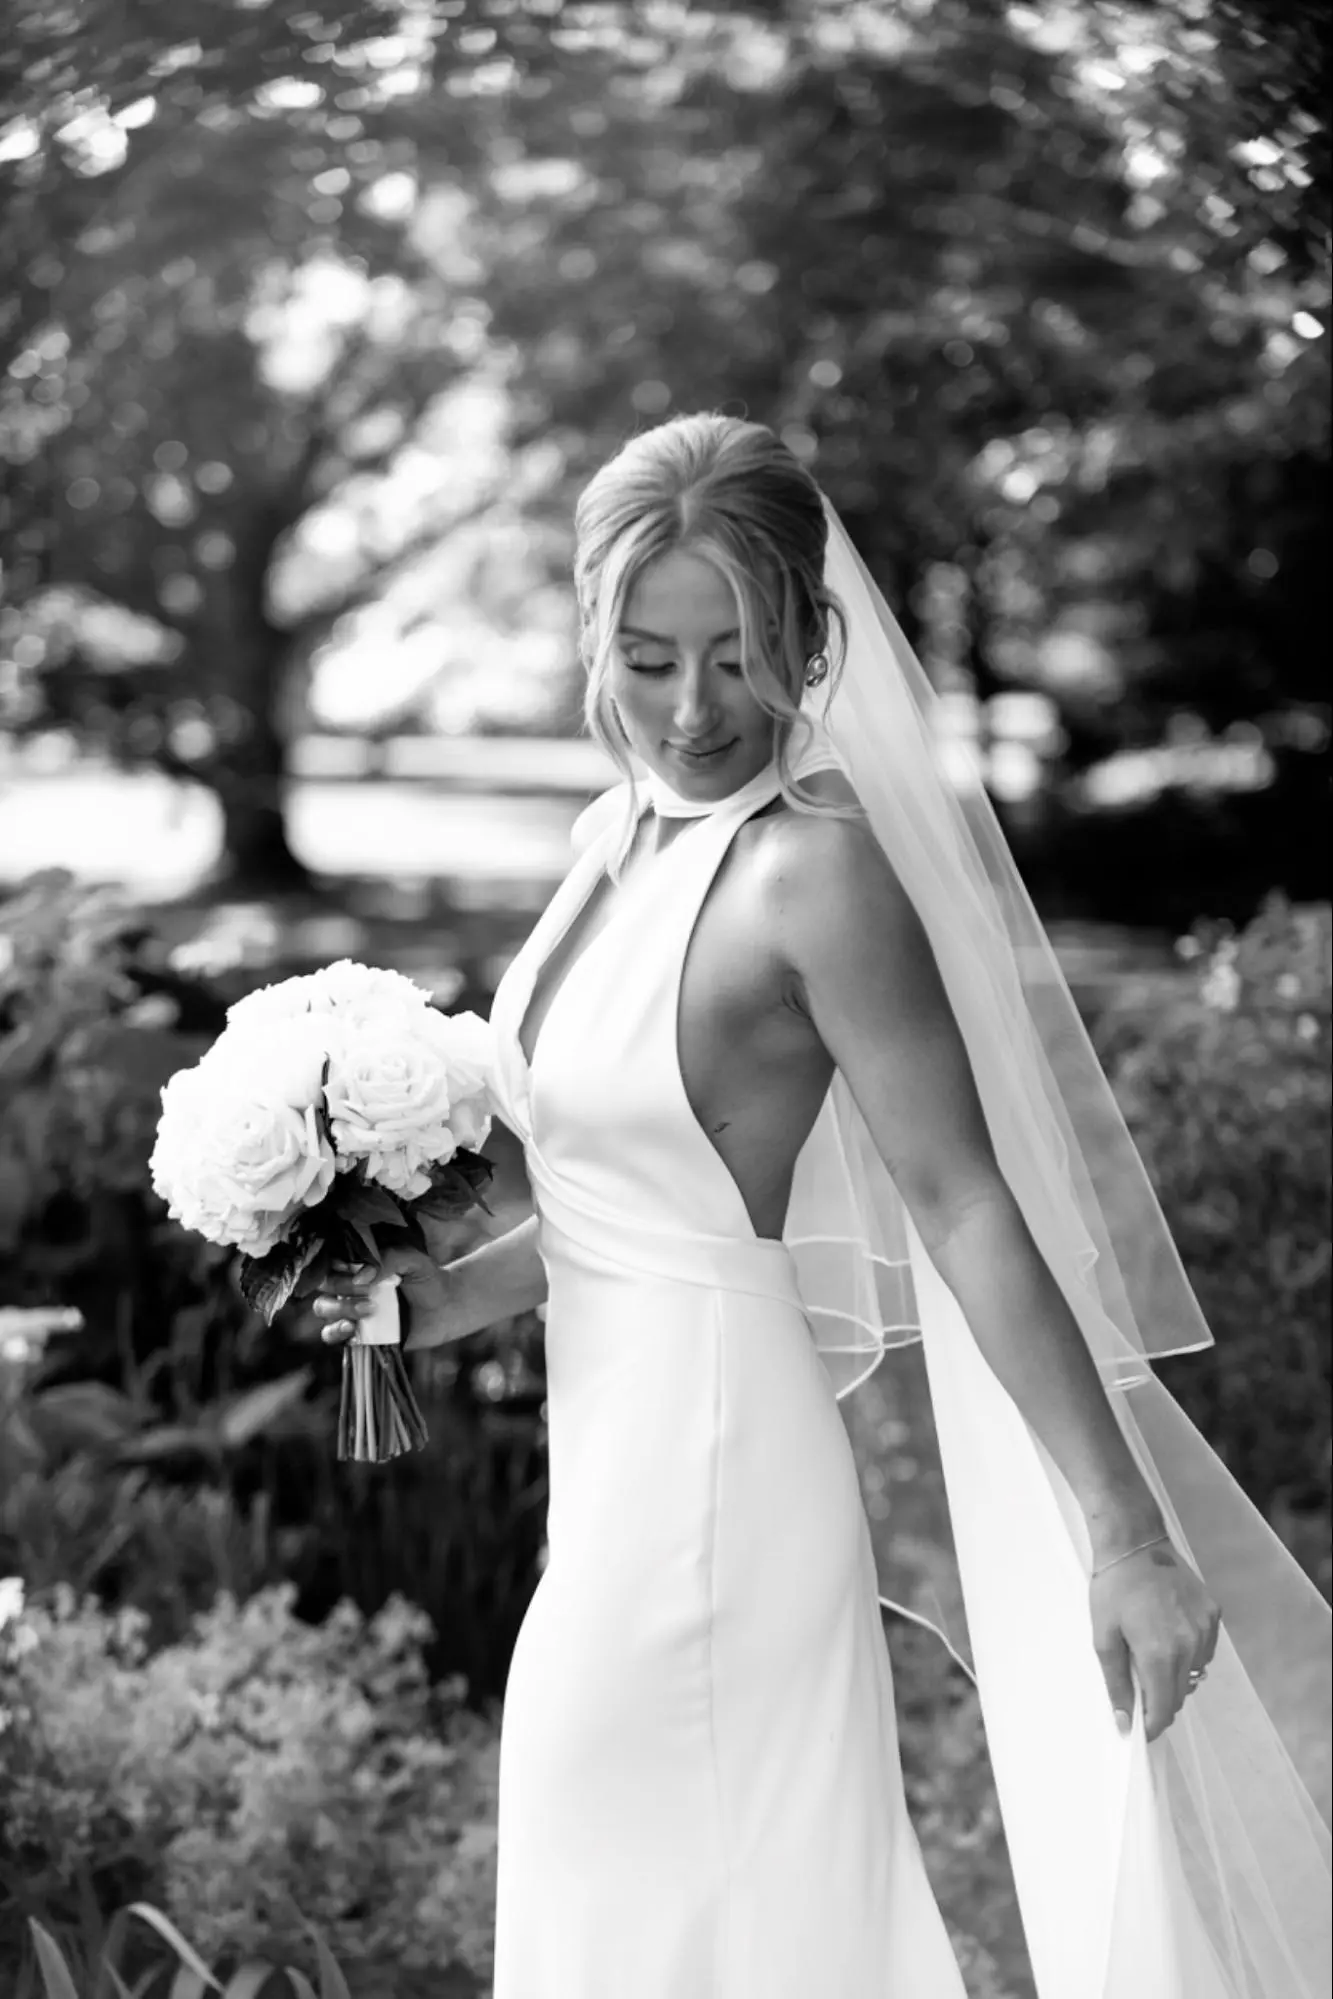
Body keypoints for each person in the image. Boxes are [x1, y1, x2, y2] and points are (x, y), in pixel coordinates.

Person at [312, 414, 1330, 1998]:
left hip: (716, 1491)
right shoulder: (617, 839)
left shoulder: (813, 873)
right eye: (650, 657)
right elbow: (629, 1214)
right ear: (594, 636)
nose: (694, 708)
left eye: (739, 655)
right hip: (618, 1474)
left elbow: (965, 1200)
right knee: (664, 1919)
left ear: (811, 640)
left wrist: (1125, 1532)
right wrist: (434, 1294)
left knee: (654, 1909)